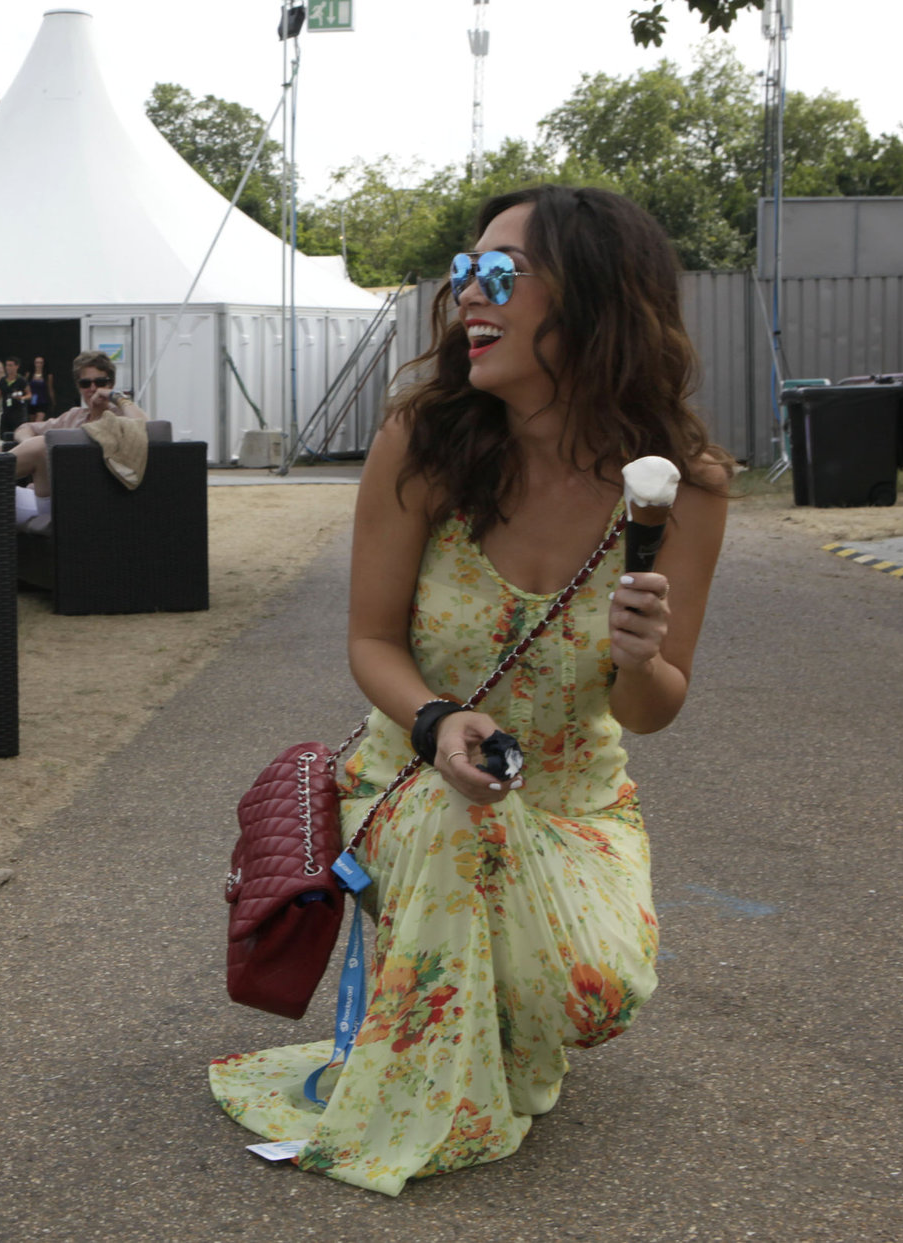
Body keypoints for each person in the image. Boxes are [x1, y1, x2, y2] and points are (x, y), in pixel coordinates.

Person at [208, 185, 733, 1195]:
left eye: (498, 274)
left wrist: (636, 653)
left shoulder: (681, 485)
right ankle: (422, 1110)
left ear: (592, 298)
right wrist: (439, 720)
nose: (465, 299)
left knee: (590, 992)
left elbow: (650, 708)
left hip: (573, 805)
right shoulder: (424, 440)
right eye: (462, 273)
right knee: (460, 821)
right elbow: (367, 641)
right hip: (413, 772)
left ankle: (489, 1020)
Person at [9, 349, 147, 526]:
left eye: (100, 382)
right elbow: (25, 427)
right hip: (38, 494)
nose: (93, 389)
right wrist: (28, 443)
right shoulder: (74, 416)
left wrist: (115, 397)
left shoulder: (119, 417)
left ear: (111, 383)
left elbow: (147, 427)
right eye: (85, 383)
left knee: (41, 446)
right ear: (78, 386)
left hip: (71, 501)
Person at [0, 355, 30, 439]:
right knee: (4, 435)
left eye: (11, 365)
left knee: (18, 434)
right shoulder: (3, 380)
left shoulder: (21, 380)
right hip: (6, 412)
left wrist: (22, 398)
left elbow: (29, 394)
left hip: (18, 413)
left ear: (17, 366)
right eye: (7, 365)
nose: (8, 368)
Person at [26, 355, 56, 421]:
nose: (38, 365)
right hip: (32, 400)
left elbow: (50, 388)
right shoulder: (29, 374)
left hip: (42, 400)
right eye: (37, 362)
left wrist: (53, 401)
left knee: (38, 421)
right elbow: (25, 386)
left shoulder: (48, 375)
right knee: (32, 422)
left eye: (41, 363)